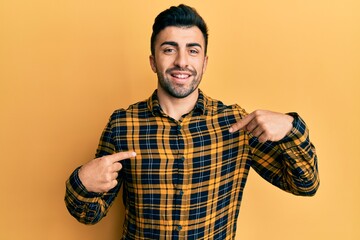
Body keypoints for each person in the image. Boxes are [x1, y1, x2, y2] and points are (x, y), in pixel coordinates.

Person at [65, 4, 319, 239]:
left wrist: (291, 128)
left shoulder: (236, 124)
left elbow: (305, 185)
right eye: (169, 49)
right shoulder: (123, 125)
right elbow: (89, 214)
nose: (182, 61)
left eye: (193, 50)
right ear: (153, 61)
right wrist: (82, 182)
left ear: (204, 62)